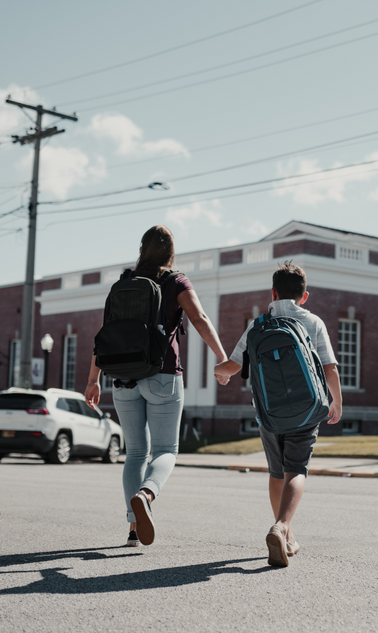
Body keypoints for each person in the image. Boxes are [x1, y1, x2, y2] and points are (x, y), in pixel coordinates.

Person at [85, 225, 227, 548]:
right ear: (170, 253)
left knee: (134, 452)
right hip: (163, 376)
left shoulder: (123, 283)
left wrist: (92, 380)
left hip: (122, 379)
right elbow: (200, 318)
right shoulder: (175, 281)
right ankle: (146, 495)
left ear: (142, 250)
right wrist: (221, 358)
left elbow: (104, 333)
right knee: (166, 451)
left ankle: (133, 530)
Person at [214, 262, 342, 567]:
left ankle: (285, 533)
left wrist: (220, 372)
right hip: (307, 409)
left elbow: (233, 364)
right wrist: (336, 401)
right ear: (305, 296)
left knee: (276, 472)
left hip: (267, 411)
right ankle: (283, 528)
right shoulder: (313, 322)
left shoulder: (258, 324)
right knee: (296, 469)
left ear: (272, 293)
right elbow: (329, 367)